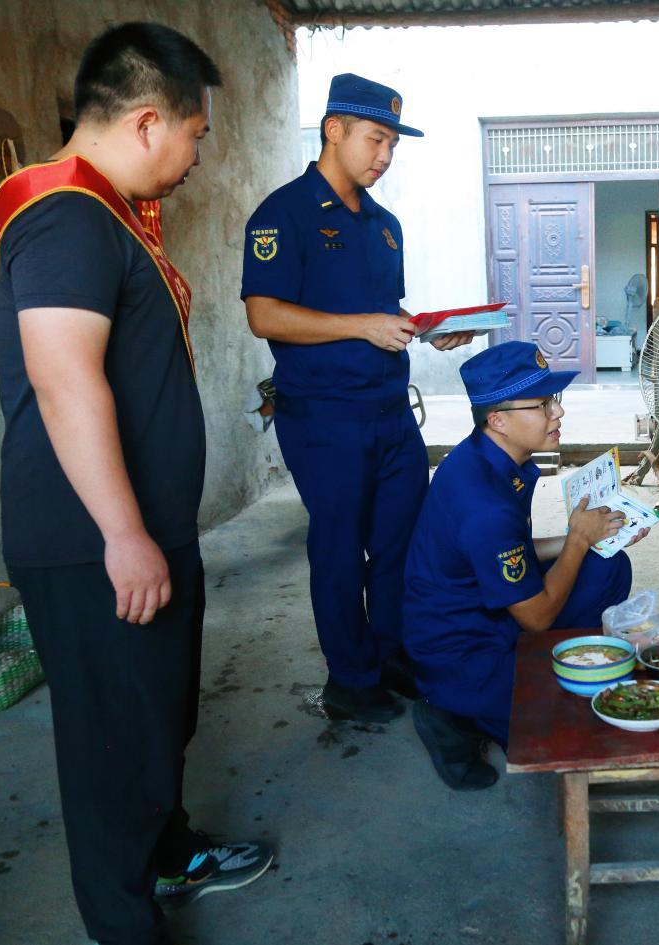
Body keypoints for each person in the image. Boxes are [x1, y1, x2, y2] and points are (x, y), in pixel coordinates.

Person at [0, 23, 272, 945]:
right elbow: (65, 379)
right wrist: (122, 532)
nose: (196, 158)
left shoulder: (107, 215)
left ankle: (168, 852)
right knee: (111, 745)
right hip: (91, 539)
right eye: (195, 134)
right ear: (148, 121)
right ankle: (124, 923)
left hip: (140, 528)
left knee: (155, 717)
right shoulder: (65, 214)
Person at [241, 74, 473, 725]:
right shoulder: (283, 214)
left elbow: (380, 312)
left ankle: (390, 655)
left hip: (390, 412)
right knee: (340, 549)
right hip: (325, 417)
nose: (385, 156)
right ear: (334, 129)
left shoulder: (384, 225)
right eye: (376, 139)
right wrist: (362, 327)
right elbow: (264, 314)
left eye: (393, 144)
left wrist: (426, 329)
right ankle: (349, 679)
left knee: (401, 542)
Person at [403, 342, 647, 790]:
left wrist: (586, 537)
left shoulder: (487, 457)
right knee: (562, 733)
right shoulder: (483, 505)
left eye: (555, 400)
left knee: (609, 564)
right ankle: (451, 715)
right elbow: (536, 618)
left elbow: (507, 551)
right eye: (542, 405)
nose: (558, 412)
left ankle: (528, 681)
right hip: (463, 652)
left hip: (491, 612)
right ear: (498, 420)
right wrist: (577, 539)